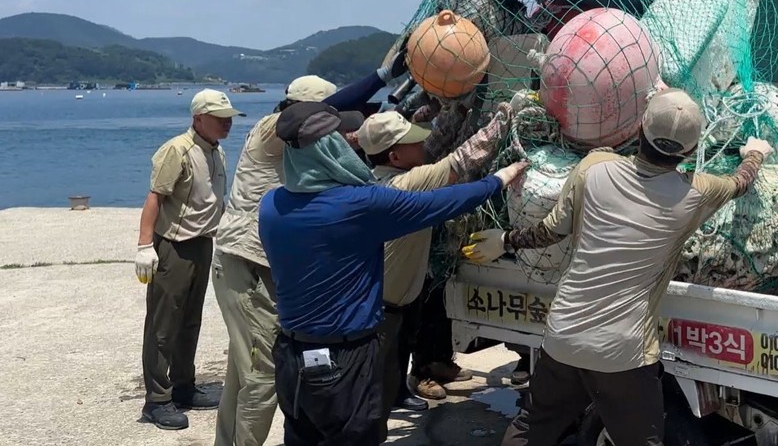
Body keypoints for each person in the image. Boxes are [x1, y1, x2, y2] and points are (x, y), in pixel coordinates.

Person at [461, 89, 774, 446]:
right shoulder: (695, 193)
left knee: (532, 426)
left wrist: (504, 240)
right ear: (690, 152)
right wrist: (754, 154)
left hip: (563, 335)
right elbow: (740, 182)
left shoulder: (594, 168)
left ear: (639, 130)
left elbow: (549, 232)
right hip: (623, 352)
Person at [259, 101, 527, 446]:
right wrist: (499, 178)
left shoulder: (271, 205)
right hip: (346, 360)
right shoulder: (359, 205)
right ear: (328, 150)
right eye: (338, 140)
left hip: (291, 357)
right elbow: (443, 202)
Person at [211, 71, 392, 446]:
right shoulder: (271, 128)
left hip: (256, 265)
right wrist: (381, 76)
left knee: (242, 371)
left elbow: (349, 123)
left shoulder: (299, 141)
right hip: (245, 264)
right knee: (262, 374)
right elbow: (338, 105)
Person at [355, 101, 513, 441]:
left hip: (390, 296)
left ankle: (394, 403)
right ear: (395, 156)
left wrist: (456, 109)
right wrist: (503, 123)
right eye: (412, 141)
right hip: (382, 308)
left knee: (387, 377)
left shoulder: (375, 180)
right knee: (373, 395)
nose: (422, 143)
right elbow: (462, 161)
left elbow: (439, 149)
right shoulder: (408, 184)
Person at [134, 88, 244, 430]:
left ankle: (183, 385)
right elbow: (155, 197)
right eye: (219, 118)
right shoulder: (177, 150)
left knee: (190, 319)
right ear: (198, 118)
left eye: (228, 118)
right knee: (163, 323)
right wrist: (144, 245)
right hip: (174, 245)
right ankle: (157, 399)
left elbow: (213, 199)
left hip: (202, 243)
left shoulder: (217, 151)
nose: (226, 124)